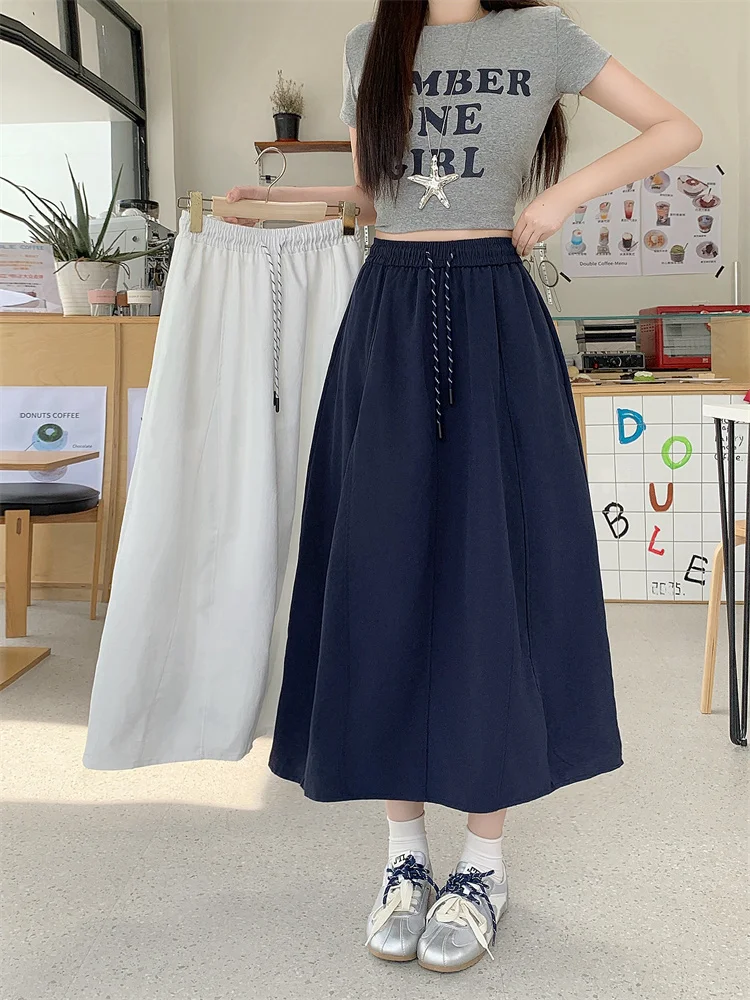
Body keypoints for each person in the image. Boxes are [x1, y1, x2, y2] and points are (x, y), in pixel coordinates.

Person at [226, 0, 702, 975]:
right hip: (388, 315)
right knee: (381, 573)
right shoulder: (371, 45)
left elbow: (674, 128)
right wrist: (283, 202)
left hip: (495, 312)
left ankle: (484, 864)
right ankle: (403, 856)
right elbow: (379, 197)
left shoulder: (545, 34)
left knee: (494, 574)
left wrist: (564, 197)